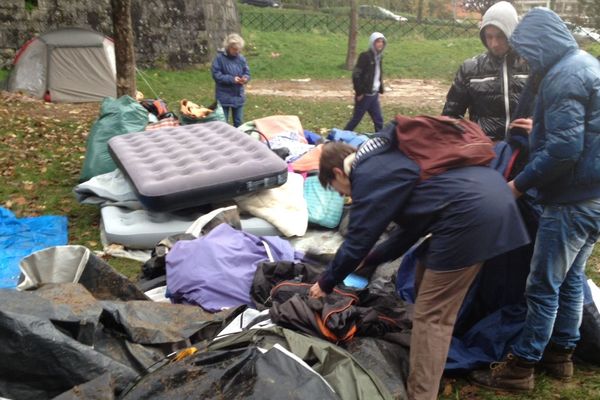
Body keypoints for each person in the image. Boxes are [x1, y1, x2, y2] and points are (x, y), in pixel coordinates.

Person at [308, 122, 530, 400]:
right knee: (424, 266)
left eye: (339, 190)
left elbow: (357, 240)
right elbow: (408, 232)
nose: (346, 195)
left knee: (433, 318)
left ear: (338, 172)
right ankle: (423, 343)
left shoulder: (367, 174)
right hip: (486, 197)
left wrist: (326, 282)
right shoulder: (382, 159)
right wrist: (371, 261)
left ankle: (422, 393)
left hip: (470, 216)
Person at [470, 8, 600, 392]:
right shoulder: (584, 63)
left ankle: (521, 367)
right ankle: (561, 356)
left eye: (526, 50)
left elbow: (563, 150)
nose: (524, 59)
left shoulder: (563, 77)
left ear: (541, 44)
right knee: (571, 278)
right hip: (594, 195)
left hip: (571, 201)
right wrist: (539, 126)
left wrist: (518, 185)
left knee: (542, 284)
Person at [442, 1, 531, 141]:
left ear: (512, 33)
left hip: (523, 149)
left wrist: (537, 125)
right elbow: (450, 117)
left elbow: (551, 110)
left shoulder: (533, 66)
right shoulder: (470, 69)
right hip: (486, 151)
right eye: (489, 36)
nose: (494, 44)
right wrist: (469, 138)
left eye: (500, 36)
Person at [344, 32, 386, 133]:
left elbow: (377, 74)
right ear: (372, 43)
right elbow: (356, 75)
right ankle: (339, 138)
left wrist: (379, 88)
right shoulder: (365, 56)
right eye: (377, 41)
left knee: (378, 120)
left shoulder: (379, 57)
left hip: (374, 95)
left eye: (382, 42)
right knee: (356, 119)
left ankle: (380, 140)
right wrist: (359, 92)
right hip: (365, 95)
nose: (380, 44)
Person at [211, 33, 250, 127]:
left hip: (238, 95)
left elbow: (247, 72)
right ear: (228, 47)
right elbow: (216, 75)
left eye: (239, 49)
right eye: (235, 49)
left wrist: (245, 78)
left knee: (239, 122)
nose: (237, 51)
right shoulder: (219, 59)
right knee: (223, 123)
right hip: (223, 96)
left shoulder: (241, 59)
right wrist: (232, 79)